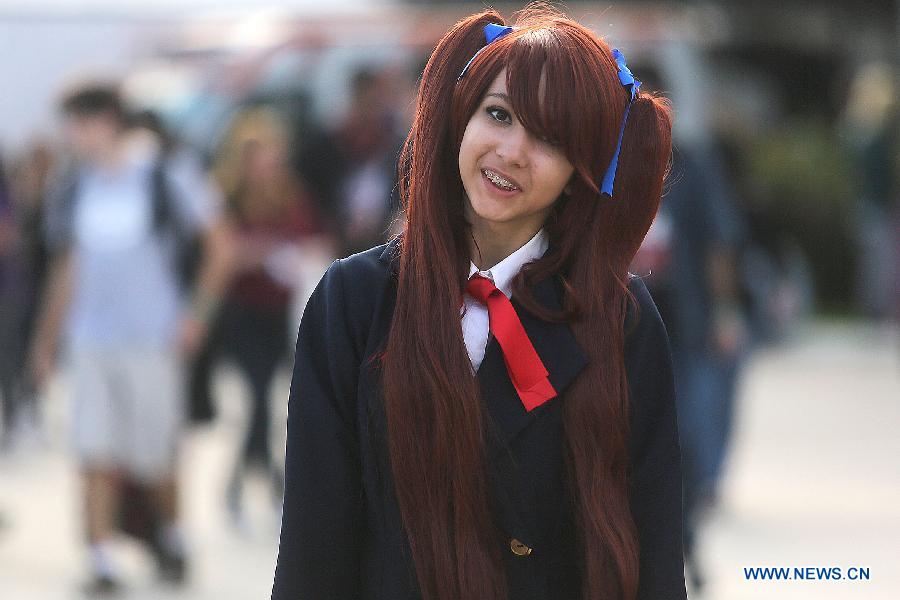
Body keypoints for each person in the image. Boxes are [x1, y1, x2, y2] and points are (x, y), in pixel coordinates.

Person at [271, 5, 685, 600]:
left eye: (551, 138)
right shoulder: (356, 300)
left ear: (579, 172)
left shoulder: (620, 319)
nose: (513, 151)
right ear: (460, 120)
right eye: (499, 115)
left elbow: (656, 544)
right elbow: (315, 541)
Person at [28, 83, 233, 595]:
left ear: (106, 119)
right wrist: (46, 340)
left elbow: (222, 246)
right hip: (92, 341)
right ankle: (100, 557)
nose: (71, 136)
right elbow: (67, 269)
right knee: (92, 449)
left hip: (152, 338)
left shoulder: (164, 173)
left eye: (77, 122)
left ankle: (173, 535)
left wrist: (195, 318)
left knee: (156, 455)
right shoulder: (75, 185)